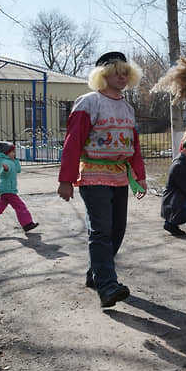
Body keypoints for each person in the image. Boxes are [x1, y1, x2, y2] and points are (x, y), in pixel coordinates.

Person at [57, 51, 148, 308]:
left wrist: (139, 177)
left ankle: (94, 274)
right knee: (101, 230)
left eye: (125, 72)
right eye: (116, 71)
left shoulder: (128, 108)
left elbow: (135, 147)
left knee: (117, 230)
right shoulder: (88, 102)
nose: (122, 76)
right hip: (94, 174)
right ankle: (107, 286)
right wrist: (66, 179)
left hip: (119, 176)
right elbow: (72, 143)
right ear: (103, 75)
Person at [0, 139, 39, 236]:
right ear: (6, 153)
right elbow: (3, 173)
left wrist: (15, 160)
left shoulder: (11, 161)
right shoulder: (4, 162)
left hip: (7, 189)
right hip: (8, 189)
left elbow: (18, 170)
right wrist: (6, 170)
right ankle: (27, 223)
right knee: (20, 206)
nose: (14, 154)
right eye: (12, 152)